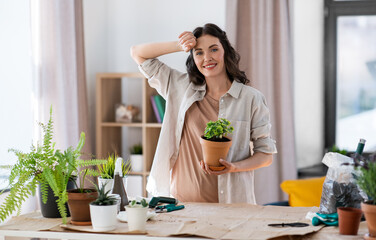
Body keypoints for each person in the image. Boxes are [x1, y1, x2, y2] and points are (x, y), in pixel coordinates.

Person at [130, 23, 277, 204]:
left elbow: (265, 155)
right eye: (199, 52)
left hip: (233, 205)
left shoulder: (251, 98)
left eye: (213, 49)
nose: (207, 58)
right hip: (183, 204)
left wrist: (233, 167)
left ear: (225, 52)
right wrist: (180, 45)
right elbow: (137, 53)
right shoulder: (180, 87)